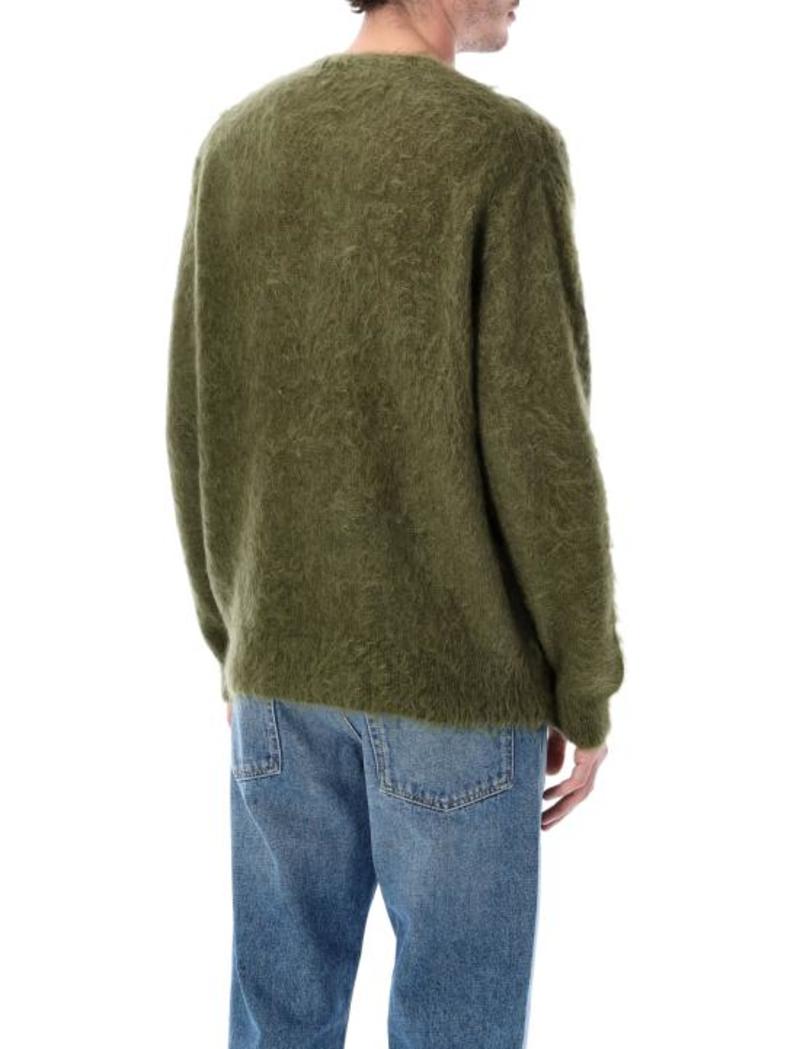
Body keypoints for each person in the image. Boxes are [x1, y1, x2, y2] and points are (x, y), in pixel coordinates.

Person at [165, 1, 625, 1045]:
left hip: (277, 675)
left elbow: (195, 421)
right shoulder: (501, 151)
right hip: (455, 684)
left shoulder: (237, 144)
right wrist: (584, 681)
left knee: (278, 1018)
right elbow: (543, 449)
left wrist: (233, 644)